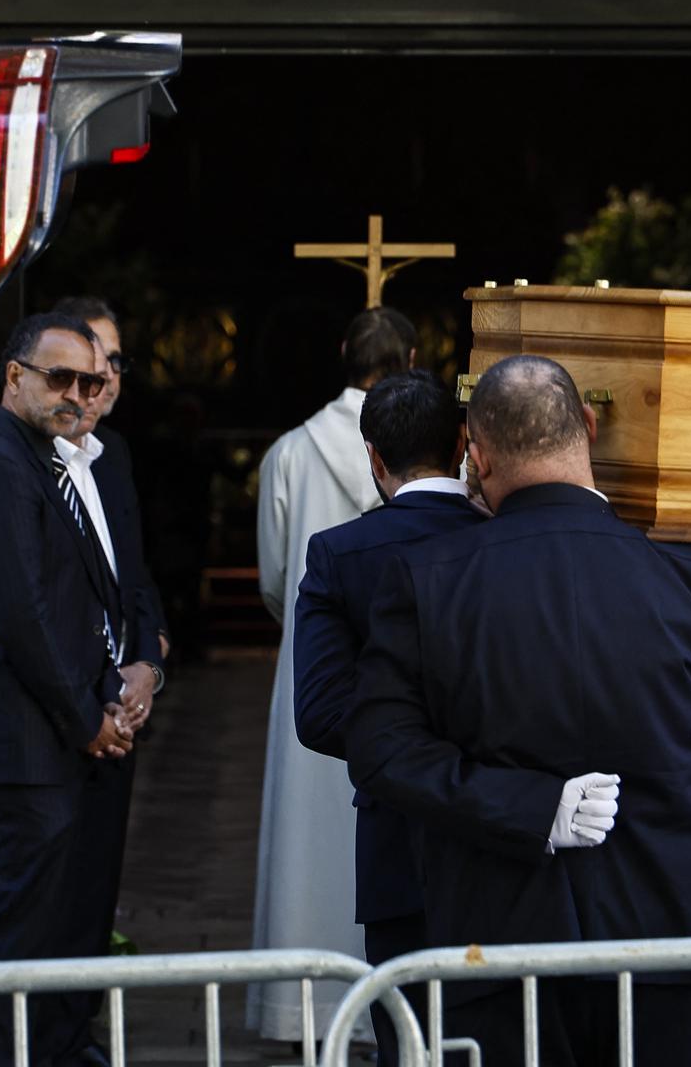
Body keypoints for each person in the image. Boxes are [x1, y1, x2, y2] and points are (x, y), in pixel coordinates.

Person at [349, 356, 691, 1067]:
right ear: (589, 426)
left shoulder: (429, 582)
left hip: (502, 942)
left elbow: (382, 749)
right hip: (670, 938)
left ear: (475, 458)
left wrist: (529, 805)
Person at [0, 312, 154, 1067]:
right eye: (59, 377)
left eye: (89, 380)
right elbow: (26, 617)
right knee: (11, 943)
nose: (75, 392)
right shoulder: (2, 465)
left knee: (47, 935)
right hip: (22, 749)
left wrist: (122, 682)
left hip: (52, 743)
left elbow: (93, 599)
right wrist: (87, 722)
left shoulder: (48, 461)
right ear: (15, 376)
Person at [290, 370, 484, 1067]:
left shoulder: (340, 555)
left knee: (408, 1035)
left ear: (372, 456)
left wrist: (402, 748)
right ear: (463, 442)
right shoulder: (506, 536)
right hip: (504, 827)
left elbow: (318, 714)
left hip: (396, 827)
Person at [247, 304, 416, 1044]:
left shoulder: (291, 451)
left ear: (343, 353)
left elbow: (277, 579)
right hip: (409, 678)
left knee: (308, 841)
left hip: (317, 672)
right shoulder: (432, 450)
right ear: (411, 362)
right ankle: (393, 1016)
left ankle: (303, 1011)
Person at [48, 296, 171, 1038]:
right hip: (63, 710)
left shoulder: (113, 454)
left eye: (114, 363)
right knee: (45, 897)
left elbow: (134, 574)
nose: (104, 378)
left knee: (96, 883)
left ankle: (75, 1028)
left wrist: (148, 662)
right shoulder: (24, 461)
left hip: (118, 703)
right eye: (89, 365)